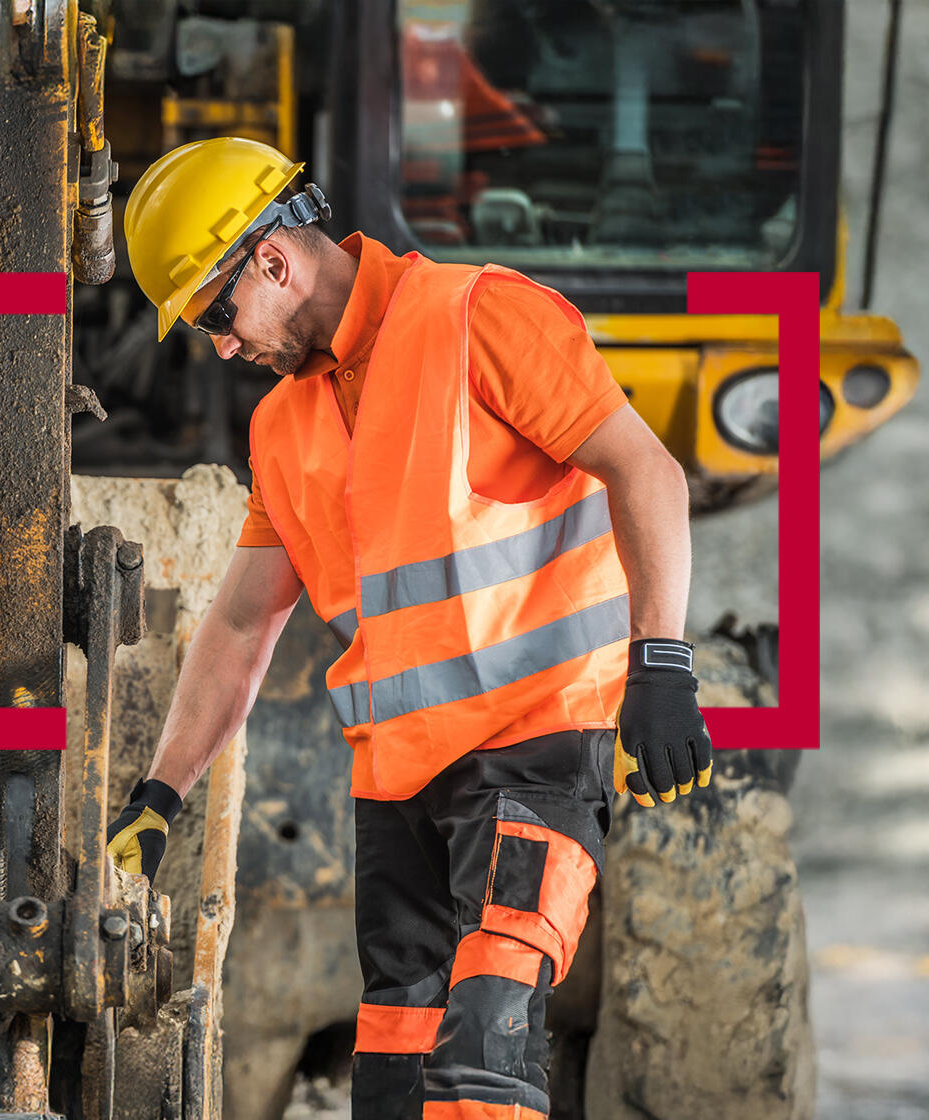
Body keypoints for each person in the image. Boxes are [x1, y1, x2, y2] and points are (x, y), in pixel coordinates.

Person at [107, 136, 713, 1119]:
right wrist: (160, 794)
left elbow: (646, 470)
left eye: (216, 311)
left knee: (484, 1058)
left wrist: (661, 661)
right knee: (394, 1079)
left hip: (534, 750)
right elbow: (239, 622)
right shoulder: (283, 425)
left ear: (273, 258)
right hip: (398, 787)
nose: (219, 343)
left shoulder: (481, 316)